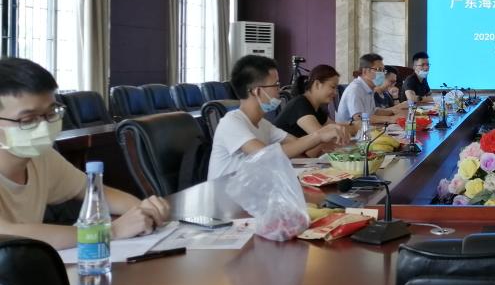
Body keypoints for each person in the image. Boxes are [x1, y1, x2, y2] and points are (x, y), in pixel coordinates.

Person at [0, 57, 170, 250]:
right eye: (28, 119)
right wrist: (110, 231)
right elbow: (7, 235)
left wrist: (143, 210)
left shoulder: (42, 157)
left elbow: (93, 192)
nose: (44, 126)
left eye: (51, 113)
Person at [209, 55, 343, 179]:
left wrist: (325, 148)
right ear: (257, 91)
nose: (279, 90)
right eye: (276, 85)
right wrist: (318, 135)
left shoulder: (264, 125)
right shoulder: (231, 123)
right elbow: (265, 156)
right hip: (226, 195)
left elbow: (297, 146)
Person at [274, 64, 345, 156]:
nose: (335, 93)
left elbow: (335, 130)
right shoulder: (300, 104)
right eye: (332, 87)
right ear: (317, 84)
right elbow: (322, 138)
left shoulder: (317, 108)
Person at [336, 53, 395, 128]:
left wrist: (394, 112)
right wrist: (391, 119)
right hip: (350, 133)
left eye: (383, 70)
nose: (383, 74)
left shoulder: (369, 88)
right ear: (365, 71)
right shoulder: (355, 89)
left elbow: (373, 112)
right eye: (379, 70)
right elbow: (359, 118)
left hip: (365, 130)